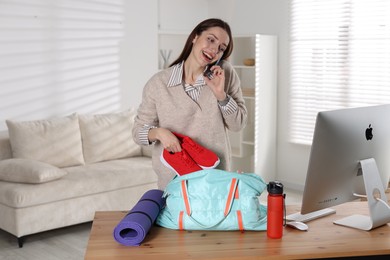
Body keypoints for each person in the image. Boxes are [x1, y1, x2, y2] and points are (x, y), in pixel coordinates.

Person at [132, 18, 247, 190]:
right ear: (195, 37)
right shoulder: (158, 83)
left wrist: (221, 95)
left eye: (221, 48)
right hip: (173, 182)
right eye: (211, 39)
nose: (214, 49)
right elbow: (138, 132)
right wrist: (160, 133)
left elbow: (238, 125)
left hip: (215, 179)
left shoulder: (225, 75)